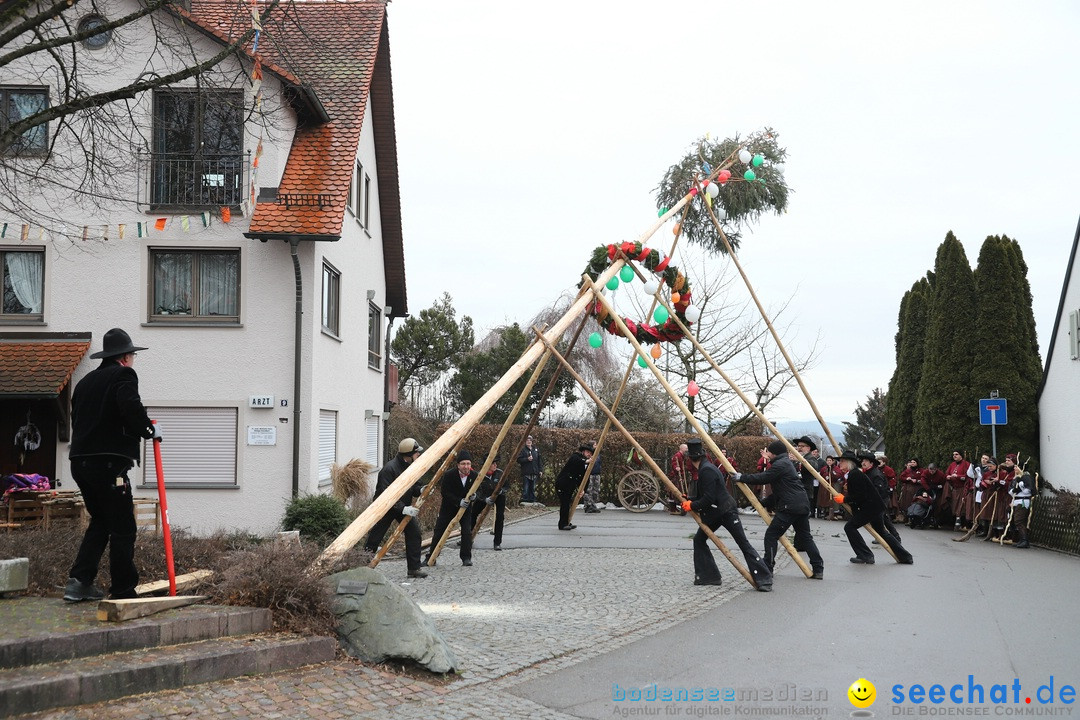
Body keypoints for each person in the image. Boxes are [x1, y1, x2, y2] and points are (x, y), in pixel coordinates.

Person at [65, 328, 158, 602]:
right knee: (123, 528)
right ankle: (123, 591)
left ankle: (79, 582)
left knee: (102, 521)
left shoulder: (85, 382)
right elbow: (130, 405)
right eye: (132, 355)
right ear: (125, 357)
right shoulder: (123, 375)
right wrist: (150, 431)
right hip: (108, 465)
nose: (133, 360)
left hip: (80, 463)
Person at [680, 439, 772, 590]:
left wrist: (692, 505)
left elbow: (709, 498)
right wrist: (689, 499)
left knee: (743, 543)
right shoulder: (705, 468)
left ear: (690, 459)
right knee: (699, 540)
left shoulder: (706, 470)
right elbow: (708, 495)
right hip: (717, 512)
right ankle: (709, 576)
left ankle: (764, 579)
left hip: (725, 511)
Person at [731, 439, 824, 580]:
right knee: (806, 537)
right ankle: (818, 568)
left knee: (771, 535)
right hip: (801, 505)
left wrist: (741, 477)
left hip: (790, 507)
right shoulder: (785, 463)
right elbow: (782, 491)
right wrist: (762, 503)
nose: (767, 454)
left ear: (774, 453)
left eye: (769, 451)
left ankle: (768, 566)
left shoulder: (780, 464)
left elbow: (764, 477)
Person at [364, 438, 427, 578]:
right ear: (409, 454)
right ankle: (363, 567)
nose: (419, 455)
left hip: (402, 507)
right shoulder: (389, 469)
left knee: (414, 533)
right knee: (375, 538)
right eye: (417, 453)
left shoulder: (412, 467)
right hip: (385, 508)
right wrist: (402, 509)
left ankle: (414, 568)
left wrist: (421, 489)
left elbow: (413, 488)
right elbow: (384, 495)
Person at [836, 450, 913, 565]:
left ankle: (865, 555)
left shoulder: (855, 474)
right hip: (874, 507)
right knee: (882, 531)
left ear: (849, 463)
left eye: (842, 461)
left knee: (850, 527)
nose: (839, 464)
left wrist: (844, 499)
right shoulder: (854, 474)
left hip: (870, 507)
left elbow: (860, 495)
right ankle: (906, 556)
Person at [426, 450, 478, 566]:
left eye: (468, 464)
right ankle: (431, 557)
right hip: (448, 508)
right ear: (458, 465)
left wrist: (475, 496)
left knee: (466, 532)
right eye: (463, 464)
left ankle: (466, 557)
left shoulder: (475, 476)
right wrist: (458, 501)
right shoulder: (449, 475)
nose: (466, 466)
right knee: (439, 531)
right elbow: (445, 492)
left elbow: (479, 489)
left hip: (466, 509)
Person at [470, 455, 507, 550]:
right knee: (473, 514)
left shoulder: (500, 473)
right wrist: (484, 499)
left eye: (495, 463)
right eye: (493, 463)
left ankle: (497, 543)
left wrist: (502, 491)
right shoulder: (479, 475)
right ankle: (468, 538)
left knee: (500, 517)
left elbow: (507, 485)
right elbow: (477, 490)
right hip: (484, 496)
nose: (495, 465)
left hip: (499, 497)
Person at [556, 442, 593, 530]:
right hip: (563, 483)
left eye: (591, 454)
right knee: (565, 503)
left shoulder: (585, 465)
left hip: (570, 485)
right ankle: (562, 524)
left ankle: (566, 522)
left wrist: (583, 490)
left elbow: (584, 478)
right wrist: (585, 461)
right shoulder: (576, 456)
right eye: (588, 452)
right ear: (583, 451)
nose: (589, 455)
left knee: (567, 503)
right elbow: (575, 461)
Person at [793, 436, 824, 518]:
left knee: (802, 517)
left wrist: (800, 460)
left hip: (805, 491)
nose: (799, 448)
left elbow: (813, 466)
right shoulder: (796, 458)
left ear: (808, 448)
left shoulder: (811, 458)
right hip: (795, 490)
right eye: (798, 446)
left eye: (802, 446)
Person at [1007, 466, 1034, 549]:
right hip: (1016, 501)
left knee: (1019, 520)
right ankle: (1021, 539)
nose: (1015, 469)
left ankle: (1025, 540)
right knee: (1015, 520)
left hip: (1023, 501)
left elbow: (1028, 491)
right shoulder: (1016, 478)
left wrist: (1021, 486)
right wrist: (1014, 490)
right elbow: (1010, 491)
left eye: (1016, 467)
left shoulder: (1026, 478)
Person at [944, 450, 972, 530]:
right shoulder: (952, 464)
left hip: (963, 488)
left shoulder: (966, 464)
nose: (954, 456)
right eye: (953, 454)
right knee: (954, 506)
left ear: (961, 456)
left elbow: (968, 476)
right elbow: (946, 474)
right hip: (954, 489)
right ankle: (955, 521)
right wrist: (948, 477)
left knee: (962, 506)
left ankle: (962, 523)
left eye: (956, 454)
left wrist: (958, 476)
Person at [668, 443, 694, 515]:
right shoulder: (678, 455)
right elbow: (674, 464)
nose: (687, 450)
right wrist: (676, 468)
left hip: (680, 476)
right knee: (675, 492)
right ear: (681, 449)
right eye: (686, 448)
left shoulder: (682, 456)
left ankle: (675, 507)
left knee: (679, 492)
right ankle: (673, 509)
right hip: (676, 476)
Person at [516, 435, 542, 503]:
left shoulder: (535, 449)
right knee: (526, 487)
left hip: (534, 471)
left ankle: (532, 499)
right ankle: (525, 500)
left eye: (530, 440)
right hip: (526, 471)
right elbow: (518, 460)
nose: (529, 441)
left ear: (532, 441)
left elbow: (539, 461)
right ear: (525, 442)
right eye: (527, 440)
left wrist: (540, 470)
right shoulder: (523, 450)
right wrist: (527, 459)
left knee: (533, 488)